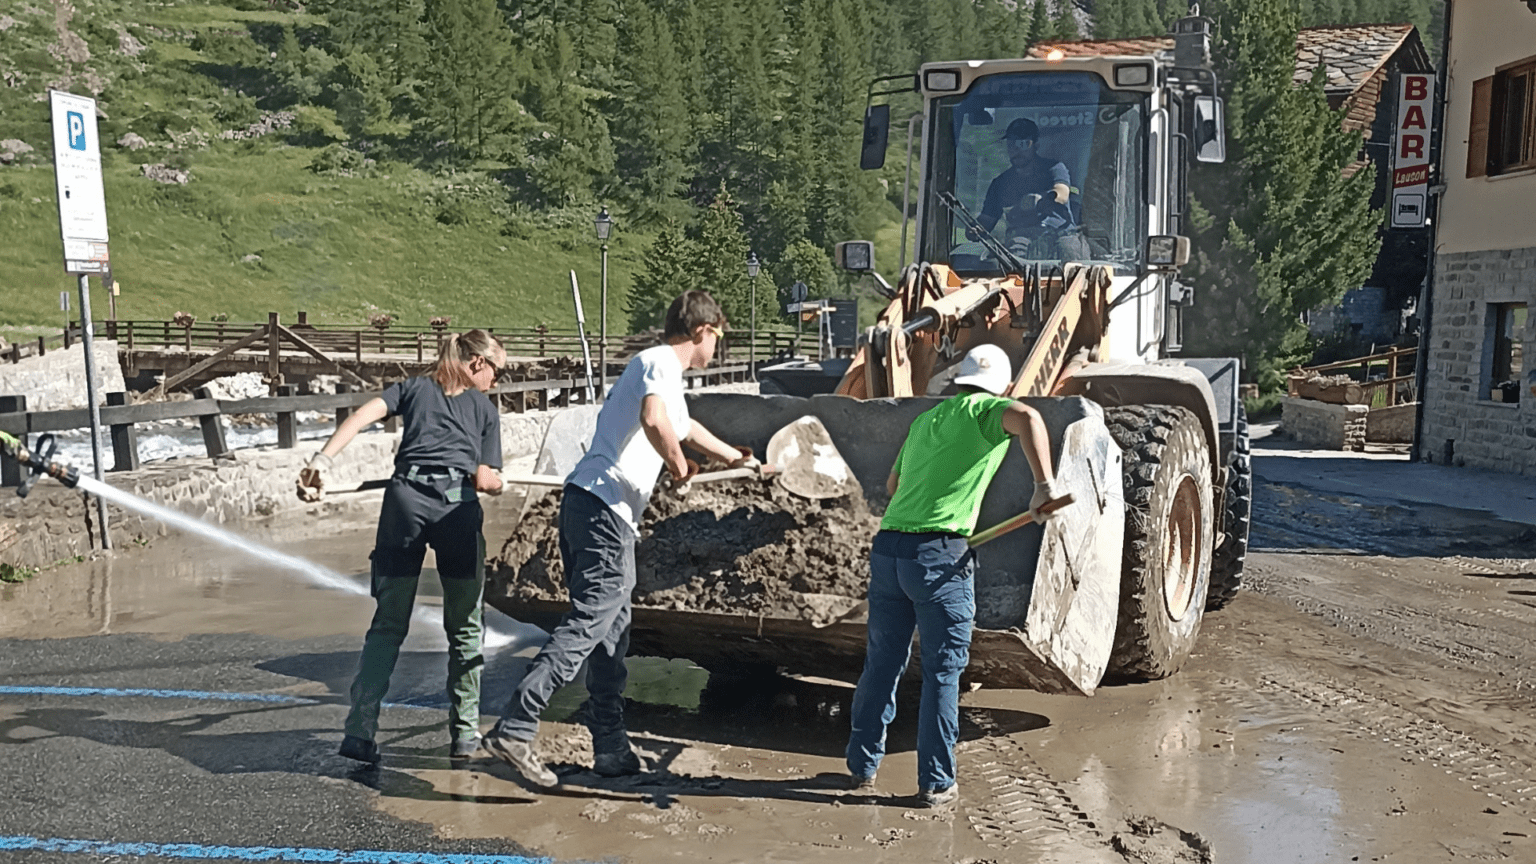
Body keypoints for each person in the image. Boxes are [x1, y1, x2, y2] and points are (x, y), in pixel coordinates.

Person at [481, 290, 757, 788]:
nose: (717, 348)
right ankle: (517, 725)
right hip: (602, 507)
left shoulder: (665, 375)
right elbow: (655, 421)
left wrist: (739, 460)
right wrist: (677, 465)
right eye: (718, 336)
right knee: (591, 620)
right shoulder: (657, 362)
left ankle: (610, 747)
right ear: (702, 332)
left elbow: (684, 424)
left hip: (601, 510)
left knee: (611, 632)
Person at [844, 343, 1069, 808]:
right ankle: (936, 783)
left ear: (959, 380)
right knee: (943, 673)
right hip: (938, 556)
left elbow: (892, 486)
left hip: (889, 550)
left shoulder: (926, 419)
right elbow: (1027, 417)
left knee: (883, 663)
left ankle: (862, 767)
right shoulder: (986, 411)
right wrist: (1044, 487)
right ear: (1002, 387)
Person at [296, 329, 508, 765]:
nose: (497, 382)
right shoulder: (484, 409)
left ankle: (359, 731)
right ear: (477, 363)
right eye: (498, 372)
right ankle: (465, 737)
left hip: (404, 505)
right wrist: (498, 483)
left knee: (388, 624)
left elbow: (359, 417)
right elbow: (485, 480)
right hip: (456, 512)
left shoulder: (413, 388)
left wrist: (321, 462)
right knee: (466, 628)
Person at [973, 118, 1084, 259]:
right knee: (1012, 258)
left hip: (1060, 235)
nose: (1016, 150)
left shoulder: (1054, 168)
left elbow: (1062, 193)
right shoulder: (1000, 183)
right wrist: (975, 229)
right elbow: (986, 221)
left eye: (1023, 144)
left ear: (1036, 145)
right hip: (1021, 237)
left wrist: (1041, 199)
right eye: (1011, 145)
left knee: (1070, 251)